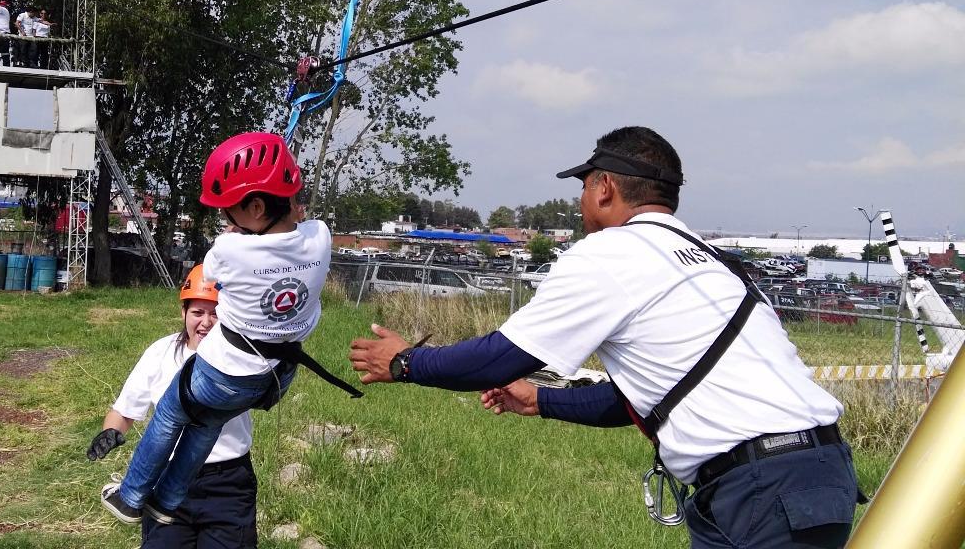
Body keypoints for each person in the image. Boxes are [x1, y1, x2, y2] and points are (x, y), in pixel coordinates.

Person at [348, 126, 859, 549]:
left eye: (584, 187)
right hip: (804, 474)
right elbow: (641, 398)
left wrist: (407, 362)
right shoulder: (712, 259)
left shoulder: (611, 253)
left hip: (762, 489)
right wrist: (541, 401)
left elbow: (498, 358)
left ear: (605, 188)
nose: (580, 202)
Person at [102, 131, 353, 525]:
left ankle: (132, 496)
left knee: (171, 413)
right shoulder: (320, 237)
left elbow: (214, 271)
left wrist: (235, 235)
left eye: (227, 210)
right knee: (207, 420)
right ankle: (166, 500)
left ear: (255, 206)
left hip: (227, 373)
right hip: (277, 375)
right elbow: (295, 228)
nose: (224, 219)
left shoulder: (230, 250)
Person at [89, 265, 258, 548]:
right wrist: (109, 432)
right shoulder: (161, 353)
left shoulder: (243, 359)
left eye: (215, 312)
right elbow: (124, 411)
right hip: (166, 481)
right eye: (198, 312)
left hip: (227, 484)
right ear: (183, 313)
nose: (206, 322)